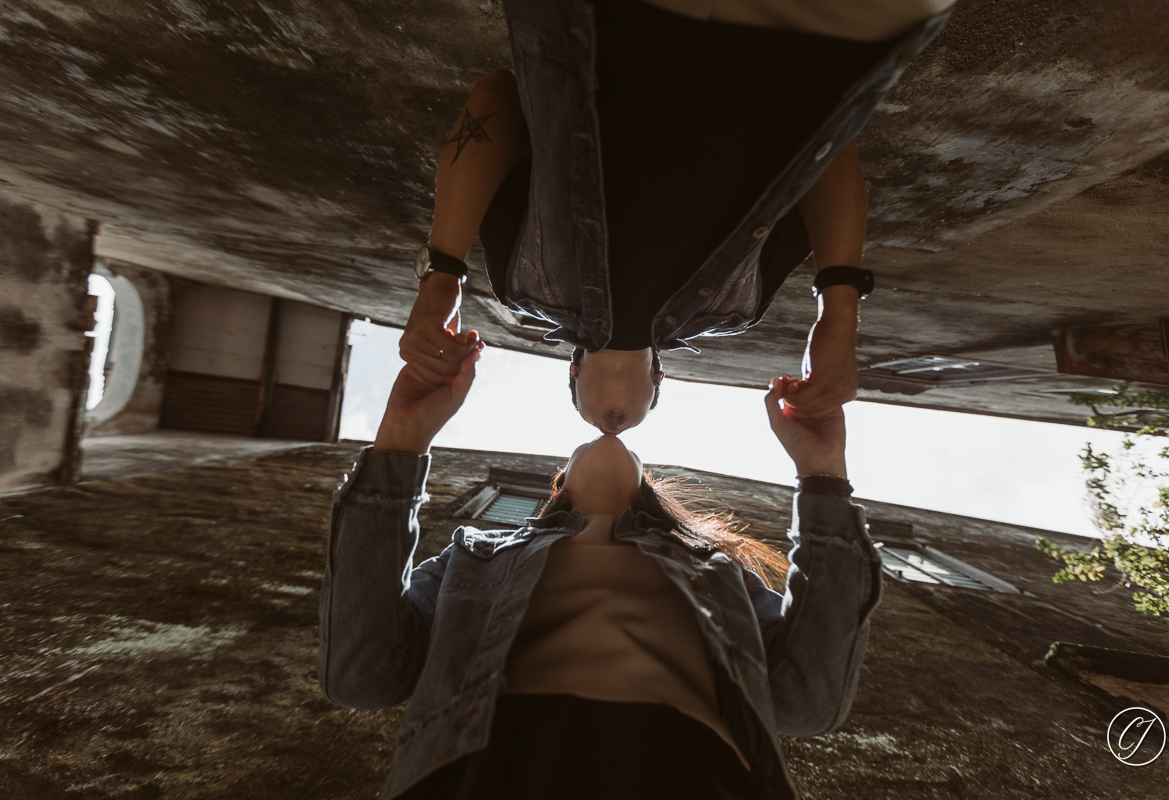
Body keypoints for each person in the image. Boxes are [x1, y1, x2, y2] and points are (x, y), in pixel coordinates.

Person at [319, 344, 883, 799]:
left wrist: (402, 437)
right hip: (504, 760)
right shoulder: (479, 551)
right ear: (558, 492)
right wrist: (823, 474)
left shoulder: (711, 566)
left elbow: (359, 672)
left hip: (669, 764)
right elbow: (809, 698)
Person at [399, 0, 956, 433]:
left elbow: (496, 97)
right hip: (819, 46)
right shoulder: (738, 307)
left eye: (591, 420)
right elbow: (827, 157)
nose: (612, 428)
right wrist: (839, 317)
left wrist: (441, 277)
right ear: (660, 378)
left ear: (572, 373)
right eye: (633, 423)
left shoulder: (521, 286)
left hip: (601, 24)